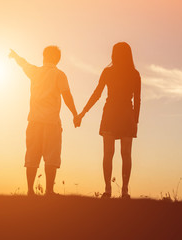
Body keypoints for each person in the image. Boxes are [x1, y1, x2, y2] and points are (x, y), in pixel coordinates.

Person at [9, 46, 78, 196]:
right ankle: (49, 191)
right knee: (51, 156)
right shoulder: (59, 74)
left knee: (32, 155)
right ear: (58, 59)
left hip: (34, 120)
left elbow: (24, 63)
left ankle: (29, 191)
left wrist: (15, 56)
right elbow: (67, 96)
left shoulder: (35, 72)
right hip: (51, 121)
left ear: (43, 56)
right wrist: (75, 114)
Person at [75, 42, 141, 199]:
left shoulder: (109, 72)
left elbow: (97, 93)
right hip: (126, 115)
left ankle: (108, 190)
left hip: (111, 114)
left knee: (108, 153)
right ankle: (124, 190)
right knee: (126, 154)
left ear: (114, 54)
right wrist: (135, 121)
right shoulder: (134, 73)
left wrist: (83, 113)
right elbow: (137, 100)